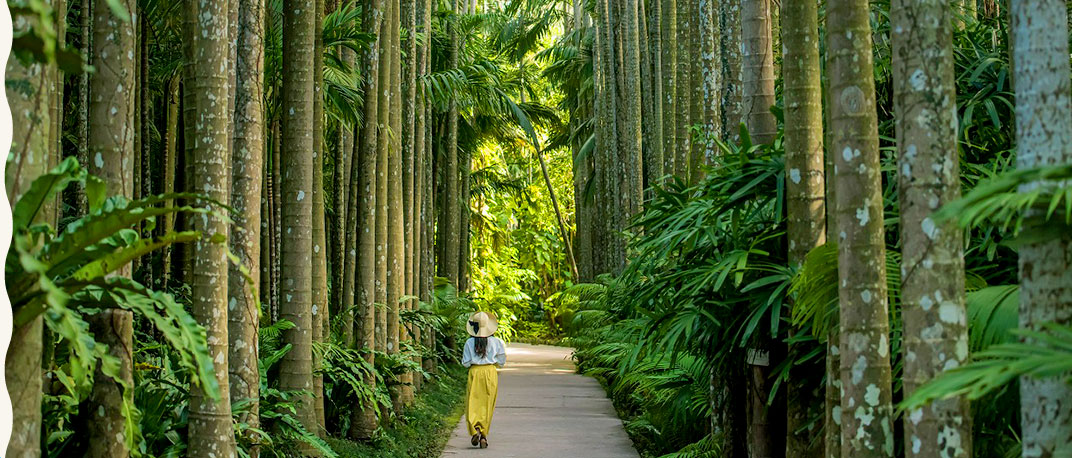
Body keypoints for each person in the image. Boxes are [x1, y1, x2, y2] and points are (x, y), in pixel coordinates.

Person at [462, 311, 506, 449]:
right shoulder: (497, 342)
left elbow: (466, 363)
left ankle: (475, 430)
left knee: (472, 403)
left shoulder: (469, 342)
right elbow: (501, 361)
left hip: (474, 372)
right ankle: (484, 436)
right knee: (487, 405)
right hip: (490, 372)